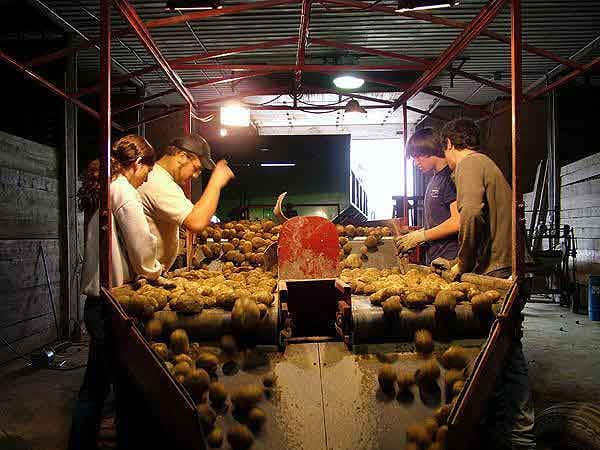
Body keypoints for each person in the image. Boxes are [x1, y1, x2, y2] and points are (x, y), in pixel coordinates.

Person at [440, 118, 535, 450]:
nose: (446, 157)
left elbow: (471, 214)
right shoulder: (485, 163)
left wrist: (462, 264)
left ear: (450, 144)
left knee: (503, 353)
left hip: (498, 269)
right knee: (504, 349)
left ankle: (520, 435)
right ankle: (506, 426)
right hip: (503, 264)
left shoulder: (468, 164)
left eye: (445, 150)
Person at [69, 135, 163, 450]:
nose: (146, 178)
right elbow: (141, 248)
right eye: (146, 171)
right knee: (126, 388)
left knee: (94, 386)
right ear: (136, 164)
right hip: (111, 306)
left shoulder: (105, 188)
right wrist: (156, 270)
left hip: (96, 305)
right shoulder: (122, 190)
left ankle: (79, 443)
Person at [138, 134, 234, 271]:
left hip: (151, 273)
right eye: (196, 168)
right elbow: (196, 222)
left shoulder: (162, 179)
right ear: (182, 156)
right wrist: (215, 183)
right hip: (142, 277)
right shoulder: (159, 182)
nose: (195, 175)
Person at [395, 127, 459, 265]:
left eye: (418, 156)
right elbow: (438, 222)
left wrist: (421, 236)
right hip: (435, 256)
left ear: (430, 151)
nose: (416, 162)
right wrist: (415, 235)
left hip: (450, 258)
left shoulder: (450, 179)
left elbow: (457, 222)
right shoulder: (434, 180)